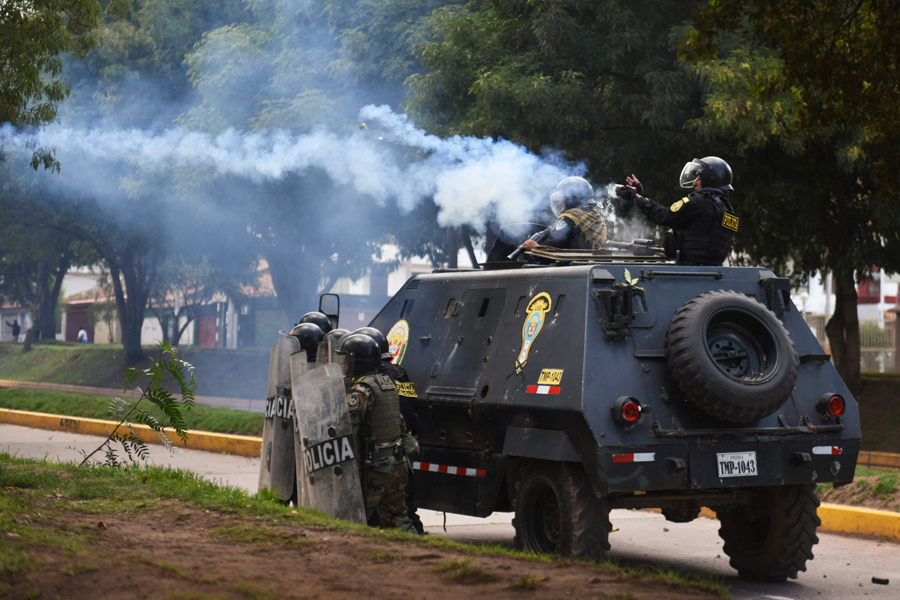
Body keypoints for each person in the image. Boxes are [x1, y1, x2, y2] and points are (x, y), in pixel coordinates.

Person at [336, 334, 414, 532]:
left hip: (375, 466)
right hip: (396, 462)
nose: (344, 364)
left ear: (358, 361)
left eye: (347, 359)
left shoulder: (361, 390)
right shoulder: (386, 384)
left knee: (353, 516)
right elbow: (400, 424)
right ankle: (416, 555)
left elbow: (346, 429)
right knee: (398, 519)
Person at [354, 326, 425, 535]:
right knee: (404, 512)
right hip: (401, 451)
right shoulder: (400, 373)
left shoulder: (369, 379)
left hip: (376, 459)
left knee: (367, 516)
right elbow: (411, 411)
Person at [616, 157, 738, 266]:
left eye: (699, 178)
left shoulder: (699, 202)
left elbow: (662, 216)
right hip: (711, 271)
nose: (694, 183)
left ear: (710, 180)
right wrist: (641, 196)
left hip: (689, 270)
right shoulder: (726, 210)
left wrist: (636, 197)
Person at [521, 177, 608, 252]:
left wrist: (535, 247)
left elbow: (551, 248)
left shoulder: (568, 219)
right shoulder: (595, 217)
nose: (559, 203)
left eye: (562, 198)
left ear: (571, 198)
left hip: (571, 268)